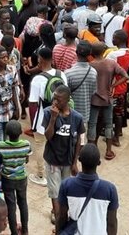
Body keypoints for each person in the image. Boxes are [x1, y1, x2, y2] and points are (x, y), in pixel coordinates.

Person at [41, 84, 84, 224]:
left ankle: (63, 213)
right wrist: (53, 119)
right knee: (54, 191)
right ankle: (58, 216)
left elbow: (79, 140)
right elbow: (47, 136)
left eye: (58, 100)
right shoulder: (48, 113)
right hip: (52, 160)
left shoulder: (77, 117)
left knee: (65, 189)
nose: (54, 102)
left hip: (67, 160)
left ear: (67, 100)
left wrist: (75, 162)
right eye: (54, 99)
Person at [56, 143, 119, 235]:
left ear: (79, 160)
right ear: (99, 163)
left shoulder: (67, 185)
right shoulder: (110, 189)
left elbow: (61, 216)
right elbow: (112, 224)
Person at [0, 119, 31, 235]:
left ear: (6, 133)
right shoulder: (26, 144)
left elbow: (1, 160)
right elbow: (27, 159)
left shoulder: (1, 146)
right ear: (21, 132)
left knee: (10, 206)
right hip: (21, 178)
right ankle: (25, 230)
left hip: (7, 179)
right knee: (23, 203)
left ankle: (14, 232)